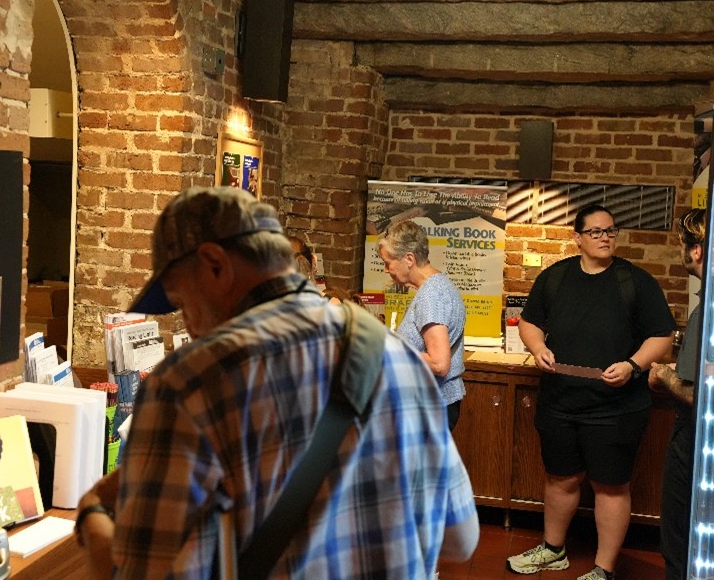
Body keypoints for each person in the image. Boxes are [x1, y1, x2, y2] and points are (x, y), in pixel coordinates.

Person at [74, 187, 478, 579]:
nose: (191, 329)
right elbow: (460, 540)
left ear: (215, 263)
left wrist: (91, 510)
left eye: (182, 303)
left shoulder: (187, 385)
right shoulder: (397, 356)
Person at [506, 204, 675, 580]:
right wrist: (537, 348)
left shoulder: (636, 281)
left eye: (610, 231)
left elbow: (662, 335)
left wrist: (633, 365)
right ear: (578, 237)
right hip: (560, 402)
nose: (605, 238)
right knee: (560, 478)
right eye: (596, 232)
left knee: (611, 487)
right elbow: (529, 322)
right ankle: (553, 550)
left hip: (616, 408)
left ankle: (604, 568)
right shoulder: (555, 278)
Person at [648, 208, 706, 580]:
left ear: (696, 250)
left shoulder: (710, 309)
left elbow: (693, 394)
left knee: (679, 538)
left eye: (683, 245)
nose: (681, 252)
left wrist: (662, 375)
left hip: (694, 437)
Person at [377, 220, 467, 430]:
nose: (385, 269)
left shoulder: (431, 295)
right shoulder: (440, 285)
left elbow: (438, 363)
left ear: (409, 259)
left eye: (388, 262)